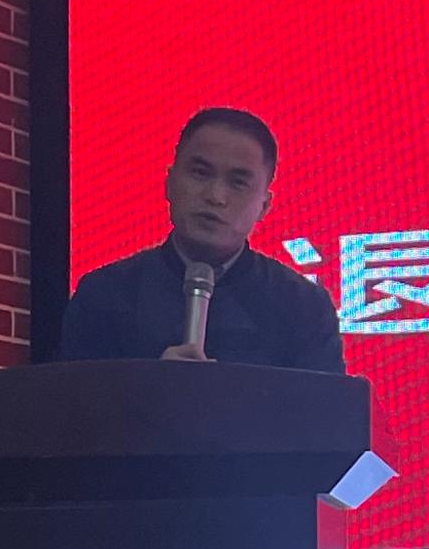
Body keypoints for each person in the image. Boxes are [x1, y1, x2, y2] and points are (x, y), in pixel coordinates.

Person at [60, 108, 346, 371]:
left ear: (264, 206)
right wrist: (150, 387)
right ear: (169, 182)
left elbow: (323, 408)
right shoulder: (105, 294)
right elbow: (71, 405)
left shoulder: (303, 307)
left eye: (238, 182)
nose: (215, 196)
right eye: (200, 173)